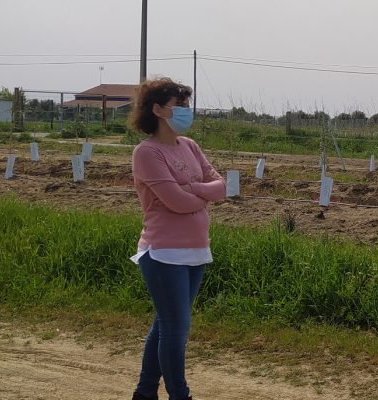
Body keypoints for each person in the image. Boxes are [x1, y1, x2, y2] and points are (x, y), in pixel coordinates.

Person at [127, 77, 225, 400]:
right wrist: (200, 194)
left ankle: (144, 393)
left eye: (186, 105)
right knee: (176, 328)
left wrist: (193, 189)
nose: (185, 111)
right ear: (157, 110)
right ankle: (179, 395)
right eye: (178, 105)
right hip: (163, 254)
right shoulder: (147, 153)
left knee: (166, 325)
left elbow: (221, 188)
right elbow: (175, 202)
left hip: (196, 252)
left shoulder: (190, 147)